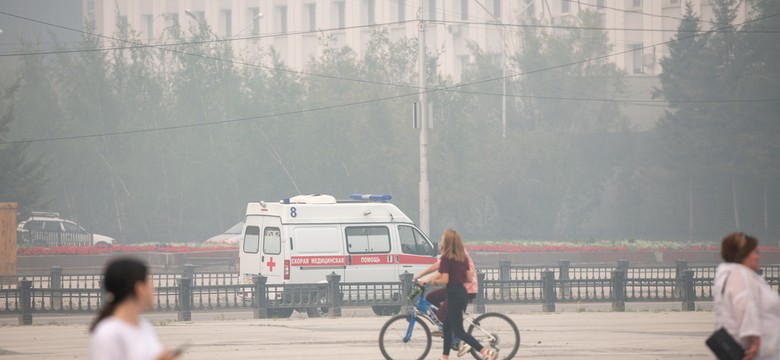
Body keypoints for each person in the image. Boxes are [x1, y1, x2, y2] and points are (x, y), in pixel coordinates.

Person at [419, 229, 497, 360]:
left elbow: (444, 280)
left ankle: (485, 352)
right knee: (447, 328)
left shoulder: (446, 258)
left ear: (447, 242)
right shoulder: (462, 257)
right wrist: (456, 278)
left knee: (459, 331)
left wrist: (433, 282)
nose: (441, 243)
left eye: (443, 240)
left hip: (454, 295)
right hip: (461, 293)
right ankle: (445, 357)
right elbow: (469, 279)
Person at [90, 258, 180, 360]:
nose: (154, 289)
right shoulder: (108, 333)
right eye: (151, 284)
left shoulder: (144, 326)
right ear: (140, 288)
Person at [713, 232, 780, 360]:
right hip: (753, 352)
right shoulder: (740, 275)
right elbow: (746, 306)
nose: (758, 257)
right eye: (755, 252)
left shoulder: (731, 274)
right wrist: (754, 340)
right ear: (743, 255)